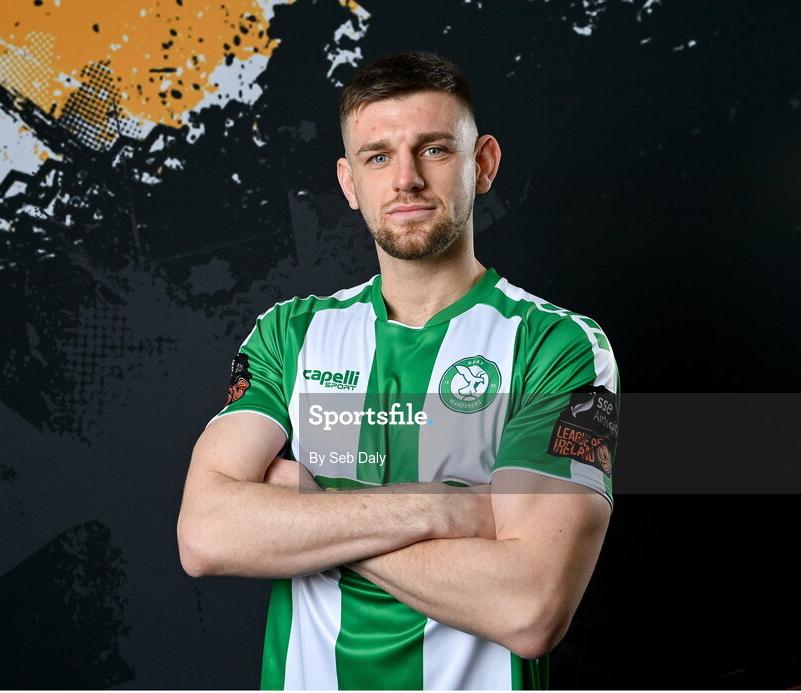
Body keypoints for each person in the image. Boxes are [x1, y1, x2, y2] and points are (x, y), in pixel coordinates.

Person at [177, 51, 619, 690]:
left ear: (483, 163)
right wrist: (439, 507)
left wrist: (306, 498)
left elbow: (529, 607)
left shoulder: (561, 347)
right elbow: (207, 535)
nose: (405, 179)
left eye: (434, 150)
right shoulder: (290, 334)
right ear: (349, 181)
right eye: (378, 156)